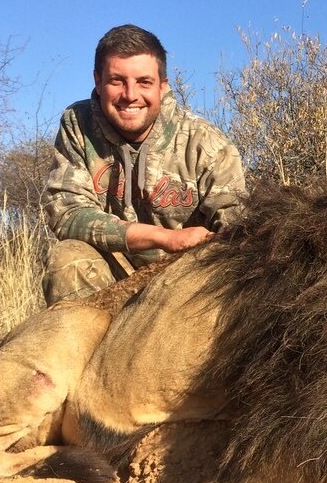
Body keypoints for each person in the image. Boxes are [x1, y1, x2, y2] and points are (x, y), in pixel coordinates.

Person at [42, 24, 246, 305]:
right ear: (97, 82)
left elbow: (237, 226)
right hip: (110, 272)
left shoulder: (207, 143)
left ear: (162, 86)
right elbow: (67, 213)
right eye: (116, 81)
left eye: (144, 82)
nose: (130, 95)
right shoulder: (78, 124)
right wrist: (165, 238)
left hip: (183, 279)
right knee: (68, 257)